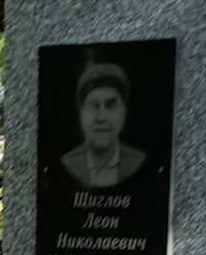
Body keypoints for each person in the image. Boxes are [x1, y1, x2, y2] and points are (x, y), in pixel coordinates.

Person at [60, 61, 148, 189]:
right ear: (81, 115)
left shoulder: (139, 163)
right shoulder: (66, 165)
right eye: (93, 106)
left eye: (110, 105)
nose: (101, 117)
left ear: (123, 113)